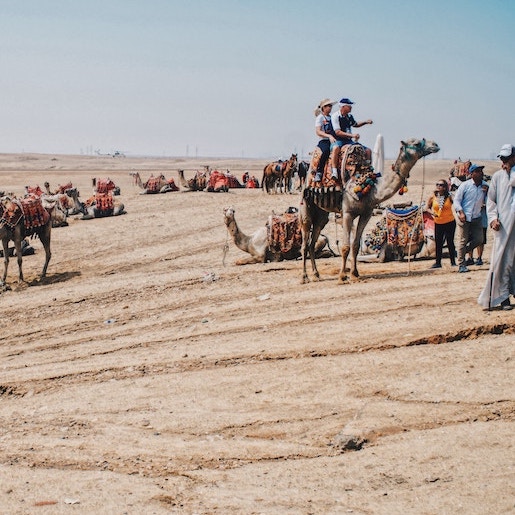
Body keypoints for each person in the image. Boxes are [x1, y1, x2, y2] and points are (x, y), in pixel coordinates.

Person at [478, 144, 515, 310]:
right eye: (502, 158)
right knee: (502, 261)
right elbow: (491, 201)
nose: (504, 161)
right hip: (504, 228)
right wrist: (493, 218)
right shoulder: (498, 177)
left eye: (507, 158)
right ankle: (503, 296)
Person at [453, 164, 488, 273]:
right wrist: (461, 212)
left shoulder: (485, 186)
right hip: (465, 216)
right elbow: (457, 200)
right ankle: (461, 264)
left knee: (479, 239)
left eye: (481, 171)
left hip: (477, 217)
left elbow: (488, 201)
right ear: (471, 174)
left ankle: (461, 252)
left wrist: (487, 192)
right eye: (477, 171)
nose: (480, 173)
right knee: (463, 240)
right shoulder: (465, 185)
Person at [330, 98, 373, 179]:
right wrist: (352, 136)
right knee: (336, 148)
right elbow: (337, 132)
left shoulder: (349, 116)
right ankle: (334, 171)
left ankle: (367, 170)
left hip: (349, 141)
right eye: (349, 106)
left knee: (368, 151)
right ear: (343, 107)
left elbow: (355, 124)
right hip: (338, 140)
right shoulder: (335, 116)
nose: (351, 107)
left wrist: (365, 122)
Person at [426, 179, 456, 268]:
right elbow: (427, 208)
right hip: (438, 222)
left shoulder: (449, 196)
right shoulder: (433, 197)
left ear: (445, 187)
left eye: (441, 185)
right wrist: (432, 213)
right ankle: (438, 262)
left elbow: (456, 203)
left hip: (449, 222)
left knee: (450, 241)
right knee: (438, 243)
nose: (439, 186)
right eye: (437, 184)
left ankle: (453, 261)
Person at [313, 98, 336, 182]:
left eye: (331, 106)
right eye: (328, 106)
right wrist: (328, 136)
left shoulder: (332, 118)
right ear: (324, 107)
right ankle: (319, 172)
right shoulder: (320, 118)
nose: (330, 108)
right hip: (324, 140)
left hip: (334, 140)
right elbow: (318, 131)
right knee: (326, 151)